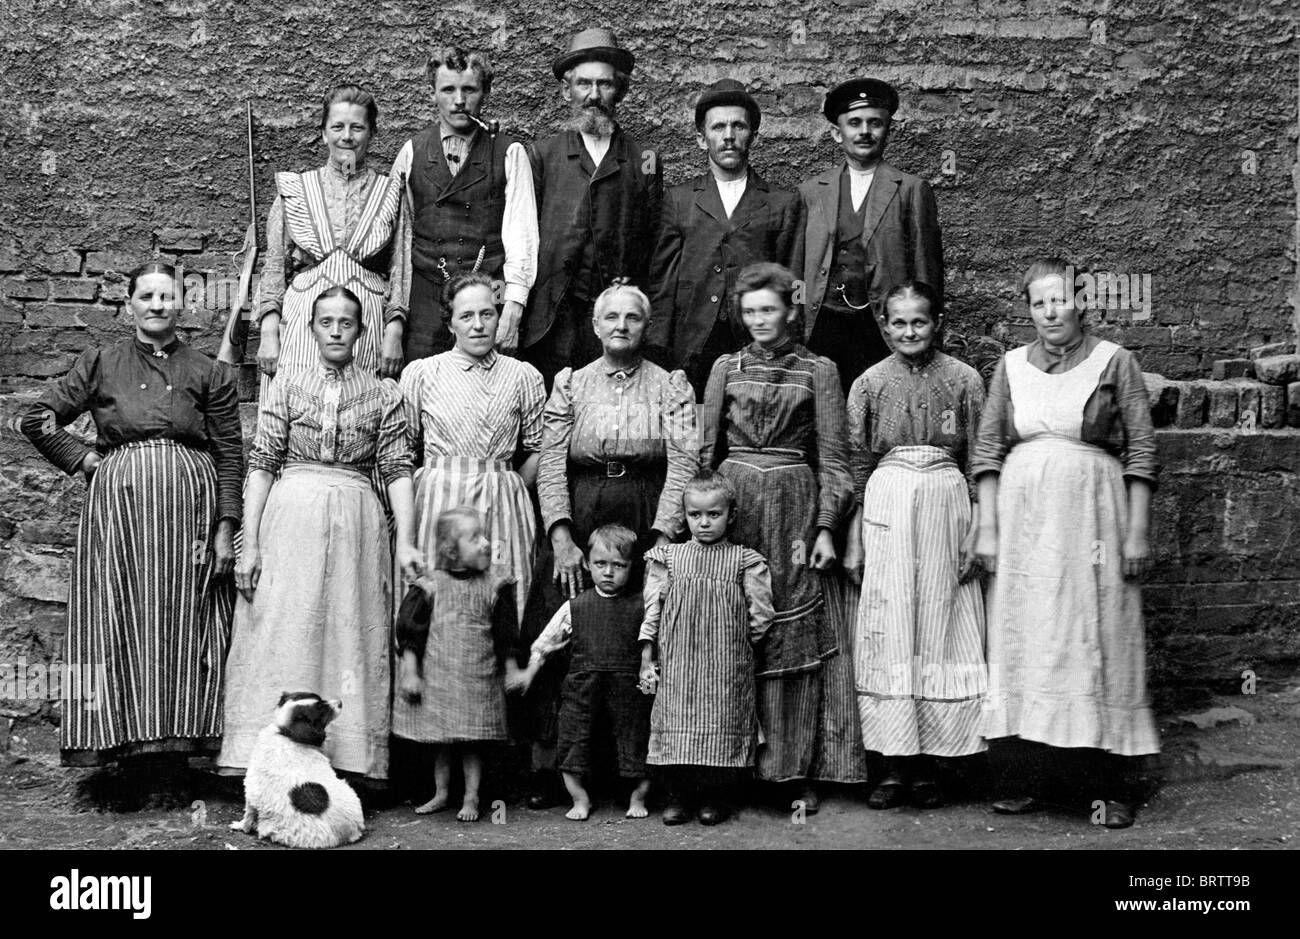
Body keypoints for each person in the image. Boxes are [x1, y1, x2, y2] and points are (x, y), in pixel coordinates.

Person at [21, 261, 243, 769]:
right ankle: (123, 759)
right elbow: (37, 416)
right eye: (147, 296)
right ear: (130, 305)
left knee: (185, 620)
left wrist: (226, 529)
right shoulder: (101, 361)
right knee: (117, 613)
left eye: (167, 296)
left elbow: (231, 453)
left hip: (191, 513)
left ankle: (178, 758)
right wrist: (80, 457)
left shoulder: (209, 370)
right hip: (118, 513)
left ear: (182, 304)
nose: (158, 305)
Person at [972, 258, 1159, 830]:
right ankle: (1027, 777)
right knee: (1028, 637)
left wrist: (1135, 530)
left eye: (1060, 300)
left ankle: (1107, 786)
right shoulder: (1008, 366)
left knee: (1095, 635)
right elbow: (986, 450)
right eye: (1038, 303)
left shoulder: (1114, 361)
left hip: (1093, 519)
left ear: (1080, 301)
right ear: (1028, 309)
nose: (1050, 312)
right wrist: (987, 526)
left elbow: (1142, 451)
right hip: (1025, 520)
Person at [220, 286, 421, 783]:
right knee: (284, 622)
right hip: (291, 514)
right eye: (326, 321)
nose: (336, 331)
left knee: (350, 626)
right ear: (309, 329)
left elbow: (397, 470)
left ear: (361, 330)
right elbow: (263, 464)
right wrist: (252, 542)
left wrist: (410, 540)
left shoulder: (383, 393)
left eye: (346, 322)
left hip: (357, 517)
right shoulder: (286, 384)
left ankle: (348, 759)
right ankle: (263, 757)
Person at [521, 280, 698, 809]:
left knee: (644, 630)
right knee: (560, 619)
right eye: (611, 318)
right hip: (583, 505)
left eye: (633, 318)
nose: (621, 326)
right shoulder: (572, 383)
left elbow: (685, 460)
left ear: (646, 327)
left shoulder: (670, 384)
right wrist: (560, 534)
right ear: (596, 327)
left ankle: (644, 771)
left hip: (645, 505)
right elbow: (551, 460)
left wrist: (663, 537)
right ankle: (554, 767)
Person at [700, 262, 860, 810]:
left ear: (791, 309)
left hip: (795, 506)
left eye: (768, 309)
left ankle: (792, 773)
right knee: (731, 629)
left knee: (791, 632)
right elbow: (703, 454)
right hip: (736, 503)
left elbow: (837, 459)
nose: (758, 320)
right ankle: (725, 772)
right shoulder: (726, 366)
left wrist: (826, 528)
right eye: (749, 312)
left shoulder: (819, 370)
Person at [842, 282, 987, 810]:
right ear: (883, 325)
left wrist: (979, 526)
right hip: (887, 505)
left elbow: (980, 457)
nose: (909, 332)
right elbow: (857, 465)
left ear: (937, 322)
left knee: (941, 623)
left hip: (948, 505)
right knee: (891, 624)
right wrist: (855, 536)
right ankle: (890, 765)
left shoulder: (966, 380)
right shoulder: (868, 384)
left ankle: (934, 766)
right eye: (898, 323)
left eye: (919, 322)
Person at [399, 272, 546, 624]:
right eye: (466, 316)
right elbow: (402, 451)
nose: (478, 325)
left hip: (501, 506)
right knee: (433, 607)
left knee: (501, 608)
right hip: (436, 502)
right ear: (450, 323)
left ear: (498, 316)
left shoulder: (523, 376)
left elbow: (543, 448)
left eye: (487, 314)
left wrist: (508, 487)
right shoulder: (421, 374)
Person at [522, 27, 663, 387]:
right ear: (566, 90)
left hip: (612, 322)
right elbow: (523, 234)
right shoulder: (542, 154)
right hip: (551, 321)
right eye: (584, 84)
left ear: (621, 90)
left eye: (605, 84)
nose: (594, 95)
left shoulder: (644, 158)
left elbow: (652, 240)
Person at [649, 78, 803, 396]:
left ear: (754, 136)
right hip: (692, 341)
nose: (729, 136)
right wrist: (657, 346)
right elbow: (662, 284)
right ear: (702, 139)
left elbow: (793, 280)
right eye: (718, 127)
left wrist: (790, 337)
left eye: (739, 126)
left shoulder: (781, 202)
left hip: (755, 337)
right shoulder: (679, 200)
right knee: (692, 428)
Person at [386, 46, 538, 363]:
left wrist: (513, 308)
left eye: (469, 89)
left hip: (488, 300)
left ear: (485, 92)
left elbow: (522, 237)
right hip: (427, 302)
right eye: (448, 90)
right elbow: (400, 238)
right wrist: (395, 322)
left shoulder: (510, 153)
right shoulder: (412, 152)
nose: (459, 100)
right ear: (432, 94)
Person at [639, 472, 775, 825]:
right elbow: (653, 608)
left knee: (721, 722)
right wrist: (650, 651)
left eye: (713, 514)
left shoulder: (744, 560)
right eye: (694, 514)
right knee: (678, 724)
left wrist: (737, 646)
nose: (703, 522)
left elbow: (761, 614)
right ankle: (679, 796)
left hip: (725, 662)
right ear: (684, 516)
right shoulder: (669, 558)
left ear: (731, 515)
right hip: (680, 662)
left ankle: (715, 797)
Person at [798, 78, 944, 395]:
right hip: (824, 323)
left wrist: (924, 330)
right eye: (854, 123)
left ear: (886, 129)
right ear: (838, 133)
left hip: (880, 326)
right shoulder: (811, 192)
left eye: (874, 122)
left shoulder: (910, 189)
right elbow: (797, 267)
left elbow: (926, 270)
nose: (865, 131)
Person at [254, 83, 403, 387]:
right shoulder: (296, 189)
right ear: (323, 133)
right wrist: (268, 331)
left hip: (365, 323)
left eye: (357, 127)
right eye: (337, 126)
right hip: (302, 321)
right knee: (296, 409)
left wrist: (395, 332)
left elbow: (401, 268)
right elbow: (273, 267)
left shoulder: (391, 191)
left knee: (359, 414)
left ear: (371, 133)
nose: (346, 136)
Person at [509, 524, 653, 821]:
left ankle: (638, 797)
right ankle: (579, 799)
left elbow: (654, 645)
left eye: (618, 565)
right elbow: (544, 644)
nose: (609, 572)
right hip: (581, 687)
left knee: (636, 740)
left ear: (631, 567)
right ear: (587, 564)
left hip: (628, 688)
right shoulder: (574, 606)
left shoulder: (642, 605)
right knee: (572, 740)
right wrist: (530, 672)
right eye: (601, 564)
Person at [395, 507, 522, 822]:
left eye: (485, 536)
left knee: (471, 742)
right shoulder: (429, 586)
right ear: (451, 551)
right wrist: (411, 672)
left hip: (477, 679)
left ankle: (471, 797)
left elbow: (506, 636)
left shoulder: (495, 586)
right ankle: (440, 793)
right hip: (439, 679)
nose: (485, 543)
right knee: (442, 740)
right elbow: (411, 634)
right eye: (475, 538)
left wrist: (512, 669)